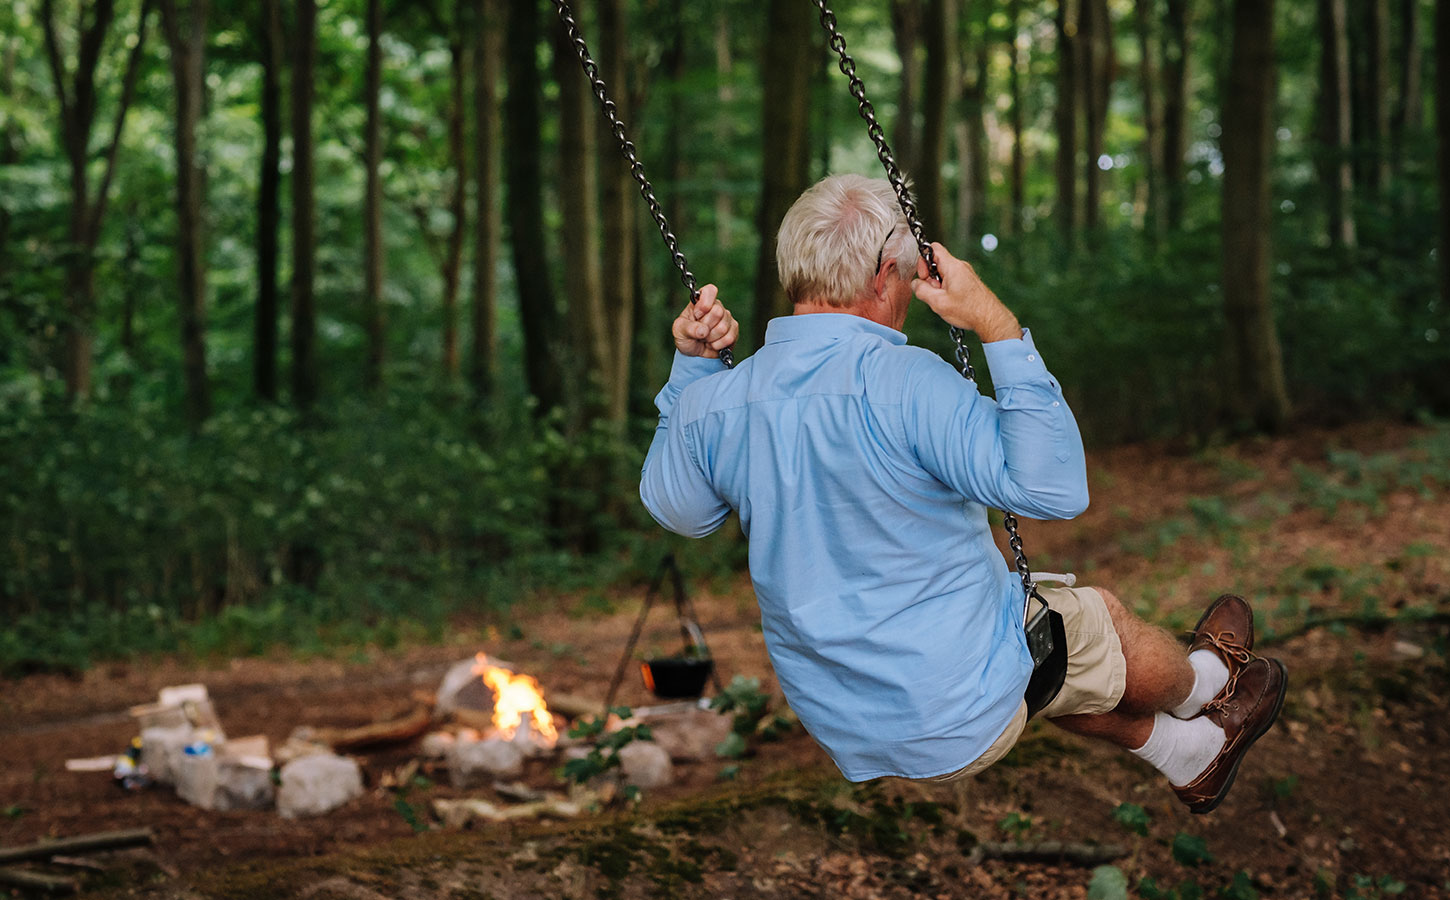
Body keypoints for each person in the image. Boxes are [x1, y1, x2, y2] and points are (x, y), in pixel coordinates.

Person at [639, 174, 1285, 813]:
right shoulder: (906, 383)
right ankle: (1208, 684)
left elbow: (681, 510)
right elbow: (1054, 488)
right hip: (952, 701)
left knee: (1045, 649)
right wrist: (994, 322)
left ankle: (1191, 753)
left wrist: (693, 367)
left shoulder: (720, 402)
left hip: (842, 719)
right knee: (1097, 619)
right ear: (881, 277)